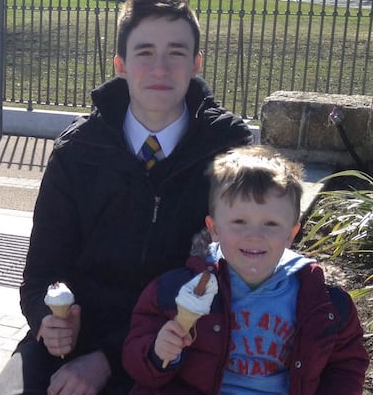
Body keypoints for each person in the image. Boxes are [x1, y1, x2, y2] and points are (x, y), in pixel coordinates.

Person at [0, 0, 253, 395]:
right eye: (144, 52)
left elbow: (235, 282)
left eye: (176, 52)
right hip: (78, 340)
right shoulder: (78, 151)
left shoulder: (230, 154)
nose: (160, 68)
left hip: (179, 347)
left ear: (196, 64)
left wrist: (110, 358)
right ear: (121, 64)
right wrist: (49, 319)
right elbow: (41, 272)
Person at [123, 145, 369, 394]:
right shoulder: (173, 292)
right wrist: (158, 353)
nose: (254, 236)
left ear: (291, 234)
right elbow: (138, 363)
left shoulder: (324, 304)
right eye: (239, 222)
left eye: (271, 224)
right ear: (214, 228)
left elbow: (346, 364)